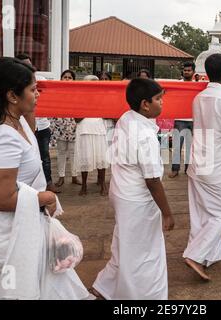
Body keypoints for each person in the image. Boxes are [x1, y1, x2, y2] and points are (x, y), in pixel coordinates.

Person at [0, 57, 89, 299]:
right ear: (11, 96)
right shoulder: (2, 137)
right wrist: (46, 196)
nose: (38, 94)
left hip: (17, 226)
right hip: (2, 232)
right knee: (9, 292)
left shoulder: (15, 121)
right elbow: (0, 199)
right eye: (33, 89)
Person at [91, 78, 174, 300]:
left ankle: (105, 287)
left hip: (122, 193)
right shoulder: (145, 135)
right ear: (145, 104)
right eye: (158, 99)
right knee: (143, 253)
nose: (162, 103)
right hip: (136, 200)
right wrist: (167, 212)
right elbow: (153, 180)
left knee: (123, 244)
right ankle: (137, 297)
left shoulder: (127, 118)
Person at [183, 54, 221, 281]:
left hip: (198, 161)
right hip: (216, 164)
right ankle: (196, 255)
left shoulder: (199, 98)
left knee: (201, 213)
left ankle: (208, 256)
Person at [15, 53, 59, 193]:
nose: (37, 94)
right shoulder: (9, 129)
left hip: (42, 125)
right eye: (32, 90)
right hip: (20, 196)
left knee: (44, 156)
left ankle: (48, 183)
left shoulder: (41, 80)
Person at [74, 75, 109, 196]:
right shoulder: (79, 98)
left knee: (101, 158)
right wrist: (90, 107)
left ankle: (103, 184)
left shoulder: (103, 98)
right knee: (85, 158)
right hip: (84, 130)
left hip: (99, 130)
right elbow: (77, 119)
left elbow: (106, 114)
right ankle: (84, 185)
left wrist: (94, 106)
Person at [51, 70, 81, 188]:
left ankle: (74, 176)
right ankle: (61, 177)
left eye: (70, 77)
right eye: (65, 77)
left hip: (74, 125)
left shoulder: (78, 92)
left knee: (74, 153)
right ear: (61, 78)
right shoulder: (56, 92)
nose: (67, 79)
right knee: (61, 152)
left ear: (73, 79)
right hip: (60, 126)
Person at [169, 61, 195, 178]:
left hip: (194, 120)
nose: (186, 72)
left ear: (193, 72)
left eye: (189, 70)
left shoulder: (197, 86)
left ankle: (188, 169)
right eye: (185, 70)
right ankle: (175, 169)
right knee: (177, 145)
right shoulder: (177, 84)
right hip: (179, 119)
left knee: (191, 146)